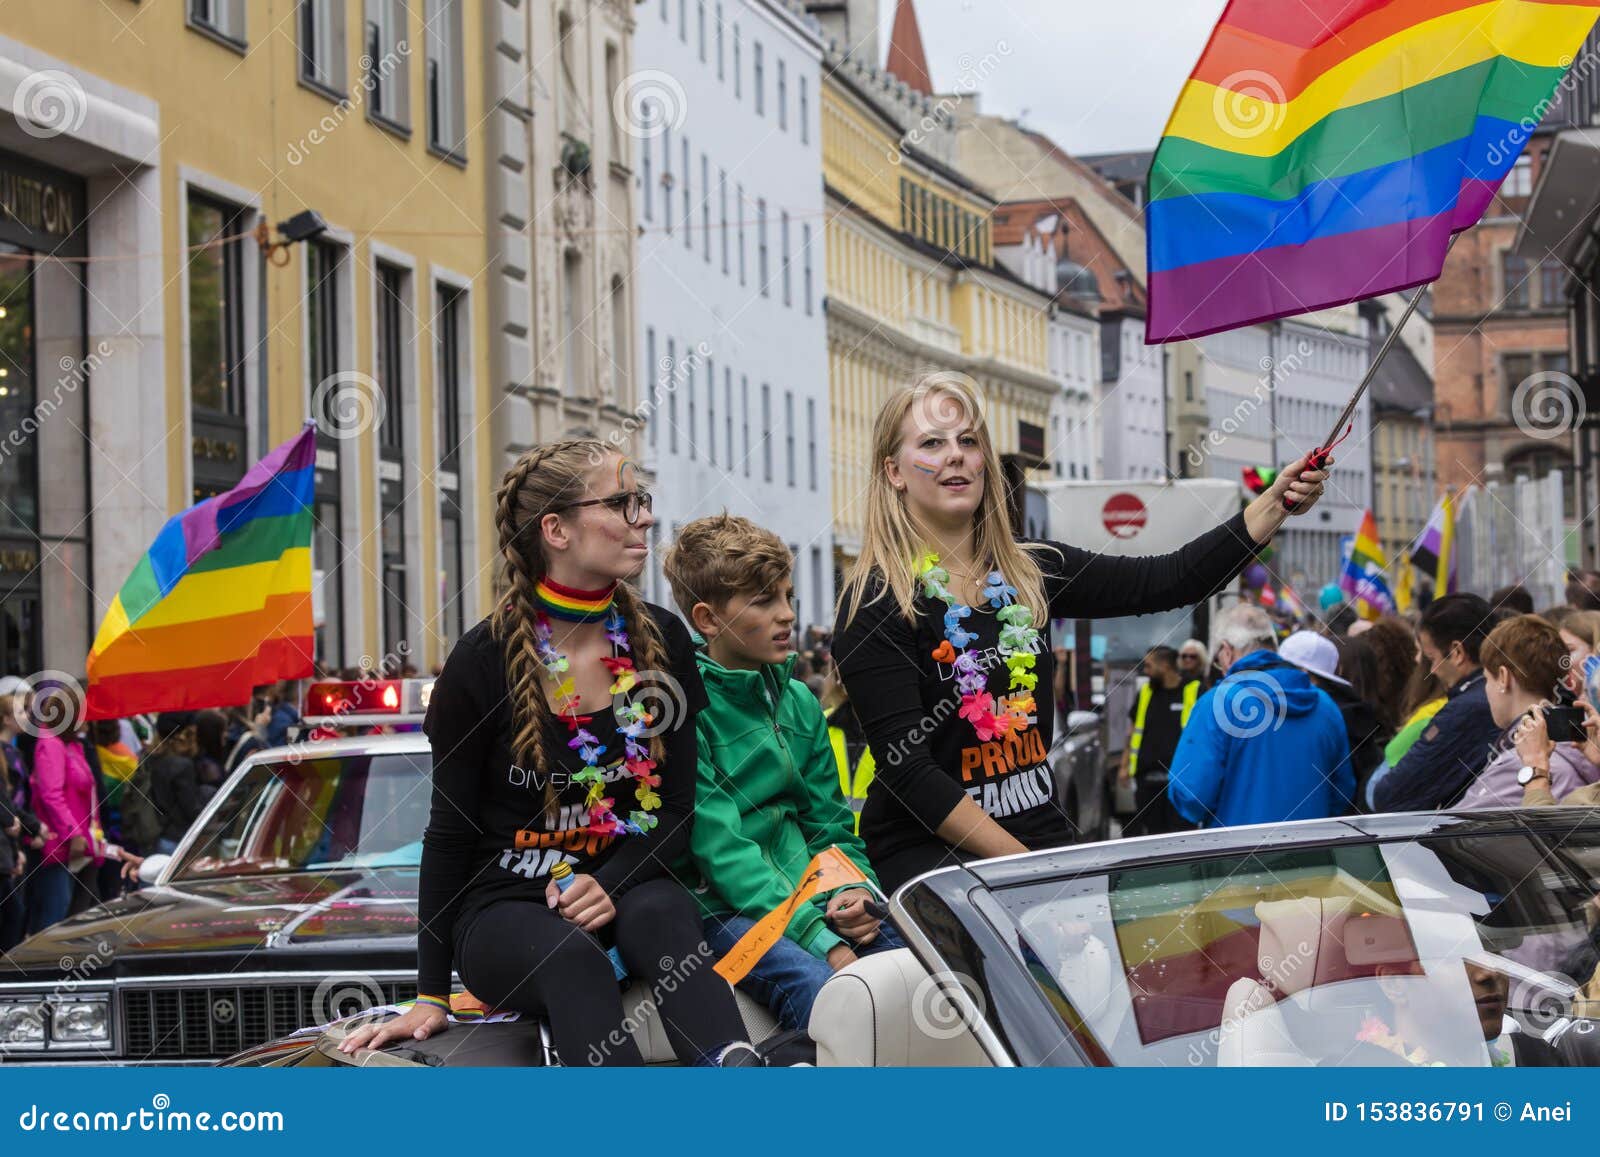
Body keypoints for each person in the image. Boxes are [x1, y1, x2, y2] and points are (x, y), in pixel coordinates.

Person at [340, 442, 758, 1067]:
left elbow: (675, 812)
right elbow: (449, 836)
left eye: (640, 501)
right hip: (505, 908)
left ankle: (745, 1091)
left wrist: (607, 884)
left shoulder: (664, 639)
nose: (643, 518)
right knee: (570, 957)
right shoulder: (480, 661)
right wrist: (429, 994)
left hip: (629, 886)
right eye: (621, 503)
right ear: (556, 530)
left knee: (668, 915)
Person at [831, 375, 1329, 891]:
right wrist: (1027, 870)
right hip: (936, 869)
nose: (955, 455)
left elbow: (1172, 578)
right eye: (932, 443)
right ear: (894, 472)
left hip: (1039, 845)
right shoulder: (875, 602)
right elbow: (909, 774)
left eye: (968, 440)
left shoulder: (1031, 571)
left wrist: (1275, 504)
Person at [663, 513, 898, 1034]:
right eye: (764, 601)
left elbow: (830, 828)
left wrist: (853, 893)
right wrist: (823, 940)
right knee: (821, 990)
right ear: (706, 619)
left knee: (915, 970)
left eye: (787, 596)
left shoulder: (797, 700)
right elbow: (724, 855)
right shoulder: (685, 712)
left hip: (807, 894)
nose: (787, 615)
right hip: (724, 911)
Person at [1166, 607, 1351, 828]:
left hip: (1235, 856)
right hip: (1312, 856)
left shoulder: (1216, 703)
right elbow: (1342, 793)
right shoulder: (1326, 707)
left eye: (1217, 661)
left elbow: (1191, 795)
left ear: (1227, 651)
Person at [1371, 594, 1501, 812]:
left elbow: (1390, 794)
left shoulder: (1466, 710)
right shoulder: (1490, 694)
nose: (1431, 671)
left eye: (1431, 659)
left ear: (1457, 653)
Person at [1458, 615, 1600, 809]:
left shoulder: (1518, 764)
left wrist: (1535, 772)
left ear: (1503, 677)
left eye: (1486, 679)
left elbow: (1452, 831)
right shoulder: (1581, 750)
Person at [1279, 630, 1392, 807]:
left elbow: (1342, 787)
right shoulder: (1352, 710)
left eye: (1283, 668)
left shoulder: (1324, 714)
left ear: (1305, 673)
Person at [1120, 646, 1198, 837]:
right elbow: (1132, 732)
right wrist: (1124, 766)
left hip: (1181, 780)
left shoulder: (1194, 690)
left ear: (1164, 666)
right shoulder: (1145, 692)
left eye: (1148, 666)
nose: (1145, 671)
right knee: (1153, 836)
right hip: (1148, 780)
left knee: (1183, 836)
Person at [142, 712, 205, 855]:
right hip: (177, 838)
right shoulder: (182, 766)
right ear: (185, 734)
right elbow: (191, 808)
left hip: (154, 834)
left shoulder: (148, 758)